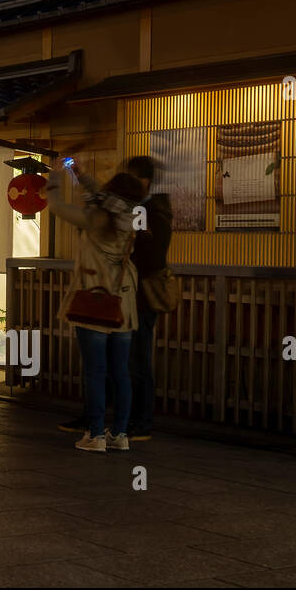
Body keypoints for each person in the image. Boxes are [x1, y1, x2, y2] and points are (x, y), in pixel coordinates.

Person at [48, 166, 144, 452]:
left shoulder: (95, 219)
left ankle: (95, 435)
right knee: (121, 371)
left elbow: (56, 206)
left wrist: (55, 178)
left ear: (111, 191)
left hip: (94, 300)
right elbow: (101, 194)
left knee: (96, 371)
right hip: (123, 304)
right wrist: (79, 174)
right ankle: (120, 434)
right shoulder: (130, 217)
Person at [124, 156, 171, 441]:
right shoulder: (149, 210)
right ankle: (132, 419)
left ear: (144, 181)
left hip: (141, 297)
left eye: (132, 179)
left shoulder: (153, 212)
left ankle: (141, 422)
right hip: (133, 295)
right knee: (131, 360)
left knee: (137, 361)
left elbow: (152, 255)